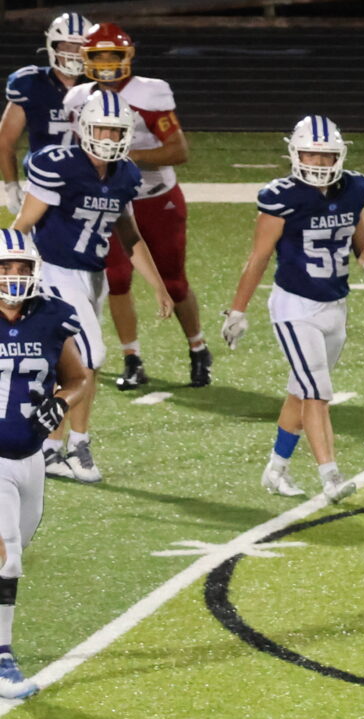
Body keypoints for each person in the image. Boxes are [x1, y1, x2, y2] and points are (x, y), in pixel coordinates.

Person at [219, 117, 364, 506]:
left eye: (326, 155)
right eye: (311, 154)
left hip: (335, 304)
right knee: (317, 393)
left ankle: (276, 470)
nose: (319, 162)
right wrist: (237, 310)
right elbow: (258, 257)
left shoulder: (354, 189)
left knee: (301, 391)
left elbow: (361, 238)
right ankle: (331, 476)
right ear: (296, 154)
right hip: (295, 306)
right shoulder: (282, 197)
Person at [69, 26, 209, 392]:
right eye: (98, 56)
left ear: (127, 56)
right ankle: (132, 358)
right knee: (116, 279)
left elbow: (178, 150)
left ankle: (197, 348)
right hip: (111, 200)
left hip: (156, 197)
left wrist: (123, 155)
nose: (105, 63)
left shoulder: (149, 93)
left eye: (112, 56)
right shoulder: (77, 98)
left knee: (173, 281)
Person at [13, 89, 139, 486]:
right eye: (101, 128)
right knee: (91, 356)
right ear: (84, 127)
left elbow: (130, 235)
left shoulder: (126, 174)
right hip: (55, 271)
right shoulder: (59, 165)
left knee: (68, 361)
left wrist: (160, 287)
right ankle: (77, 446)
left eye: (116, 131)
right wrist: (14, 270)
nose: (108, 137)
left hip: (92, 276)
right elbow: (23, 224)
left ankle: (51, 448)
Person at [0, 228, 84, 702]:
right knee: (8, 557)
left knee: (16, 550)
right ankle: (2, 658)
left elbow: (78, 377)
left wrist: (63, 402)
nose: (14, 276)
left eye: (22, 267)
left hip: (30, 456)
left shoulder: (52, 316)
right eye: (5, 267)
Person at [0, 14, 92, 208]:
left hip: (90, 185)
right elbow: (5, 141)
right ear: (53, 47)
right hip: (42, 185)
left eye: (79, 47)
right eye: (66, 46)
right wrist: (11, 186)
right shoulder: (31, 83)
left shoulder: (99, 86)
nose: (73, 53)